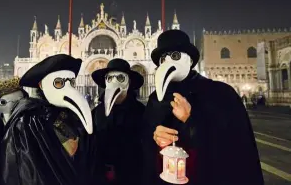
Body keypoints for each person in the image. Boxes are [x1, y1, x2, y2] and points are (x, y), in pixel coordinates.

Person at [142, 30, 264, 185]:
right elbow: (144, 141)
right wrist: (154, 136)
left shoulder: (221, 94)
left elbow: (236, 146)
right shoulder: (155, 99)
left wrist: (191, 120)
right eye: (162, 59)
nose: (167, 62)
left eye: (174, 56)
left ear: (190, 60)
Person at [1, 54, 98, 185]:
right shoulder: (27, 122)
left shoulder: (72, 117)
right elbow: (27, 171)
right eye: (59, 82)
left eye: (71, 82)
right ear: (41, 85)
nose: (67, 88)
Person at [91, 58, 145, 185]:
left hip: (132, 175)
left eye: (120, 78)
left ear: (129, 81)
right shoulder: (96, 112)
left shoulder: (141, 111)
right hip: (101, 175)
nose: (114, 82)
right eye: (110, 78)